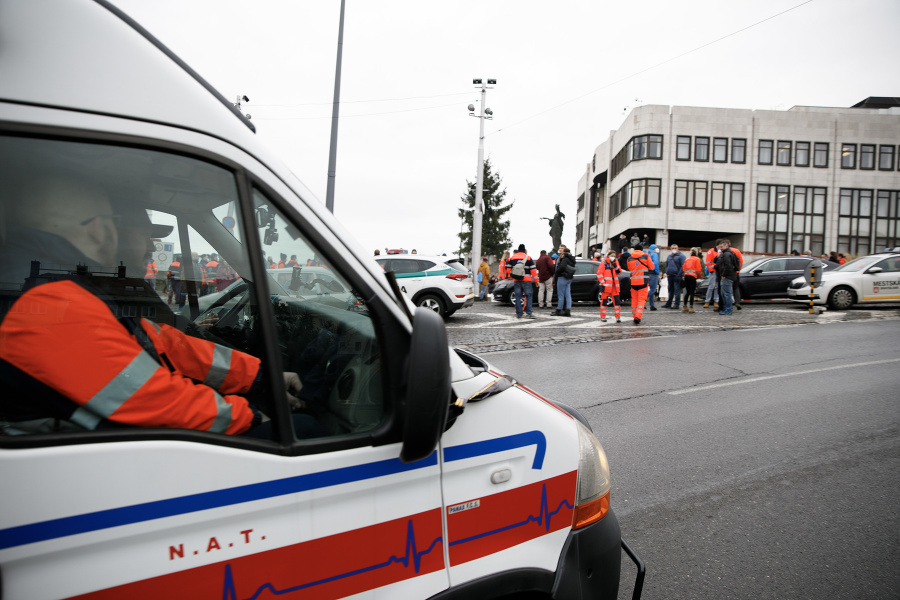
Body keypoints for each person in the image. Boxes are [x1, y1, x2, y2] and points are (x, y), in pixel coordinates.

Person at [0, 178, 319, 438]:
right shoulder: (50, 303)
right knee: (302, 431)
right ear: (101, 229)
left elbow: (168, 343)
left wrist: (262, 377)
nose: (151, 245)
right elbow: (151, 401)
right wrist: (250, 414)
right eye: (117, 223)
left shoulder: (58, 289)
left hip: (89, 439)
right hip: (91, 456)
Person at [508, 244, 538, 319]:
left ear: (518, 250)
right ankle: (529, 313)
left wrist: (512, 277)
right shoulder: (528, 258)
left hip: (517, 280)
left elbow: (508, 270)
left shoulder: (512, 258)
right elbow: (533, 270)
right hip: (527, 280)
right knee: (529, 296)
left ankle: (519, 314)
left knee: (518, 297)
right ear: (524, 250)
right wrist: (536, 280)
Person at [627, 244, 653, 325]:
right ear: (642, 250)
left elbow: (629, 268)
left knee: (634, 300)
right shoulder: (646, 256)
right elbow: (652, 267)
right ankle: (638, 317)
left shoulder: (629, 258)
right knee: (641, 300)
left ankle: (634, 315)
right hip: (643, 281)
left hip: (633, 282)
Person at [715, 239, 740, 316]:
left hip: (727, 276)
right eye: (720, 246)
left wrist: (724, 275)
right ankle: (727, 308)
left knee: (726, 293)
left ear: (726, 246)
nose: (720, 248)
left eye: (722, 246)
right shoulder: (730, 253)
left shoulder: (726, 254)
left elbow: (727, 266)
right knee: (726, 293)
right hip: (731, 275)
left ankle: (728, 309)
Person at [596, 251, 622, 323]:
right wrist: (603, 282)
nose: (613, 257)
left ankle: (618, 317)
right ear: (608, 256)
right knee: (604, 301)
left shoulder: (615, 263)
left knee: (617, 302)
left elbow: (619, 272)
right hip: (606, 286)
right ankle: (603, 316)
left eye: (614, 256)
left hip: (614, 286)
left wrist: (615, 265)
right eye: (612, 255)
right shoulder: (603, 264)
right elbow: (599, 274)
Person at [552, 244, 576, 317]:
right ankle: (568, 310)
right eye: (559, 248)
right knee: (567, 294)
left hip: (562, 277)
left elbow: (562, 267)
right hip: (568, 277)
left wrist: (557, 272)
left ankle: (559, 309)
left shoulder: (564, 258)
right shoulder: (571, 258)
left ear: (565, 249)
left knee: (561, 295)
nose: (560, 249)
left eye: (562, 248)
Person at [663, 244, 685, 309]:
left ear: (678, 249)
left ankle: (676, 304)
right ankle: (669, 303)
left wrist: (679, 274)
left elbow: (683, 266)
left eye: (675, 248)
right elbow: (666, 264)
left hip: (677, 276)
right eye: (673, 248)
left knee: (677, 290)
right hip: (670, 275)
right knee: (670, 290)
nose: (674, 249)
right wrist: (667, 272)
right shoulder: (669, 256)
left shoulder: (681, 256)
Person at [682, 248, 702, 313]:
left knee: (687, 292)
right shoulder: (697, 259)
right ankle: (691, 307)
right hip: (693, 276)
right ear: (696, 253)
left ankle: (684, 306)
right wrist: (699, 276)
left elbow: (683, 268)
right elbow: (698, 269)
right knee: (692, 292)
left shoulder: (687, 259)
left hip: (686, 276)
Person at [703, 243, 720, 309]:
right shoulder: (711, 251)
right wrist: (711, 270)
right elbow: (708, 262)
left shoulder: (720, 252)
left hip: (718, 272)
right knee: (711, 286)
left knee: (716, 287)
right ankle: (707, 301)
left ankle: (716, 301)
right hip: (713, 271)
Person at [647, 243, 661, 311]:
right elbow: (655, 263)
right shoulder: (654, 254)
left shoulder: (648, 254)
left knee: (651, 289)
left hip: (648, 273)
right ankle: (642, 300)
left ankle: (652, 305)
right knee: (653, 289)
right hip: (653, 273)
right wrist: (657, 272)